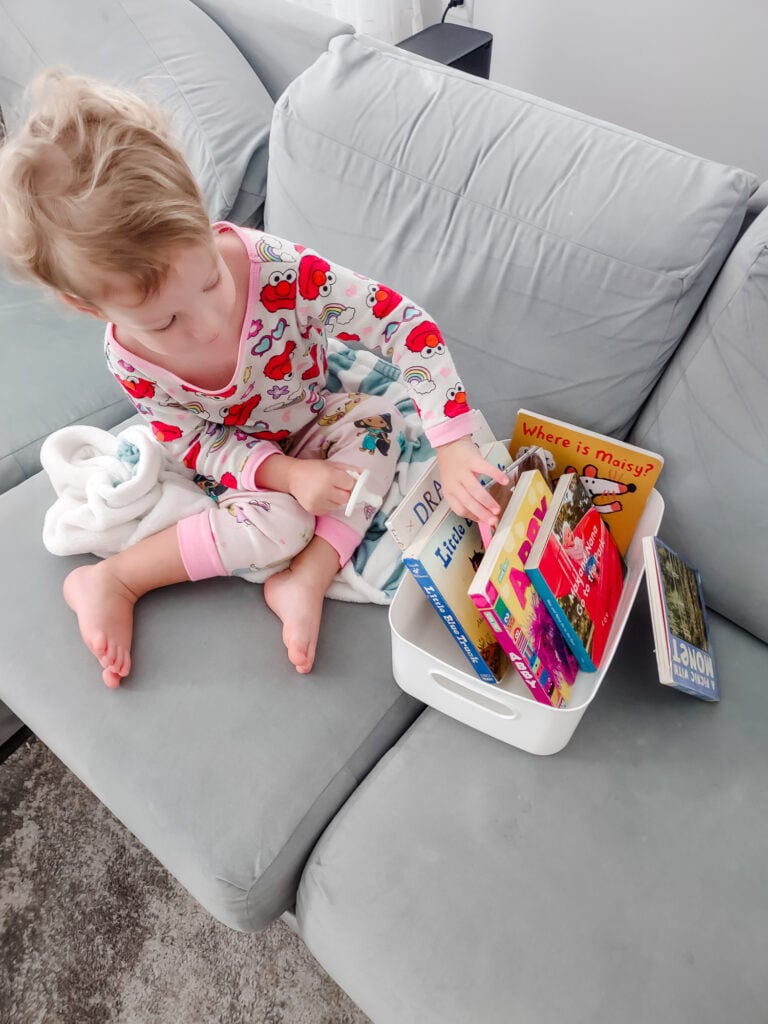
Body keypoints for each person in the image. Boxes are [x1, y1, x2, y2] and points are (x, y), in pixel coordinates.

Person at [0, 69, 508, 686]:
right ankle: (115, 579)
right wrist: (285, 475)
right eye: (164, 321)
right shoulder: (129, 359)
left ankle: (308, 578)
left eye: (212, 280)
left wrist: (452, 444)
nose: (211, 324)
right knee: (279, 525)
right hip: (237, 460)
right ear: (92, 310)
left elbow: (404, 326)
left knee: (382, 425)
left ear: (204, 219)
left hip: (313, 411)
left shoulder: (279, 270)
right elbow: (190, 442)